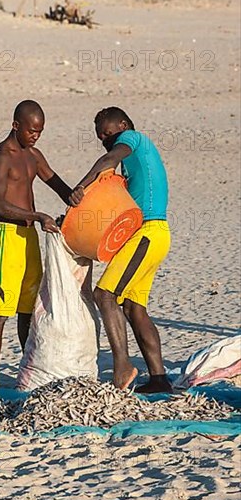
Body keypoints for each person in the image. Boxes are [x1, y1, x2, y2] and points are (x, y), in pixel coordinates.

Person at [69, 107, 172, 393]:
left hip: (148, 234)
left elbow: (108, 159)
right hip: (154, 235)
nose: (105, 140)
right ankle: (159, 379)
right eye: (100, 136)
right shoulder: (135, 161)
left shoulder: (133, 139)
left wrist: (79, 186)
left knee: (105, 294)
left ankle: (123, 366)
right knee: (133, 306)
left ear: (123, 125)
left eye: (108, 133)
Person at [0, 100, 72, 388]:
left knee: (27, 310)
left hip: (29, 238)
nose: (36, 136)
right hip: (6, 238)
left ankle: (27, 369)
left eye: (40, 131)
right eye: (32, 131)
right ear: (16, 126)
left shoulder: (33, 155)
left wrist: (83, 198)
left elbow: (59, 186)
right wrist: (37, 215)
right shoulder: (1, 157)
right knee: (0, 313)